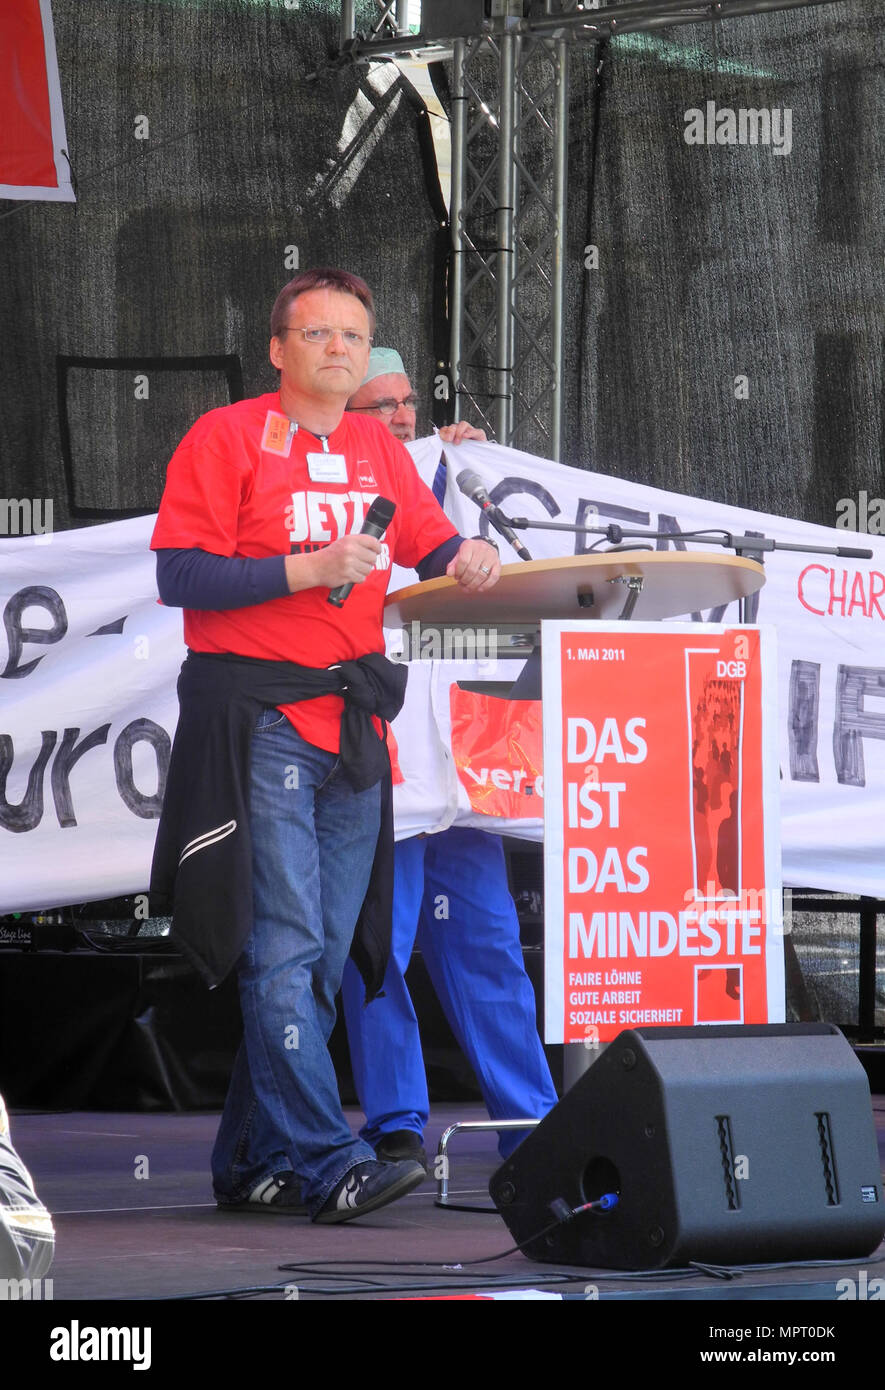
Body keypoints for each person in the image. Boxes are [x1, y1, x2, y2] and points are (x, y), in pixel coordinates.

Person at [149, 269, 501, 1222]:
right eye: (318, 334)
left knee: (315, 956)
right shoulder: (224, 438)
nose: (339, 349)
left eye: (354, 334)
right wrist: (306, 567)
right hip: (261, 722)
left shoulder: (377, 451)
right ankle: (324, 1157)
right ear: (278, 349)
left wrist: (465, 558)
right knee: (285, 946)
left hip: (349, 728)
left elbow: (430, 548)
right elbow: (179, 573)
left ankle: (245, 1161)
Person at [341, 348, 558, 1171]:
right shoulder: (324, 490)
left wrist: (458, 456)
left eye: (406, 403)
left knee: (488, 946)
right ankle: (395, 1122)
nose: (400, 418)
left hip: (463, 777)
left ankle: (531, 1126)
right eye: (379, 407)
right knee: (380, 952)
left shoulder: (456, 476)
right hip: (385, 771)